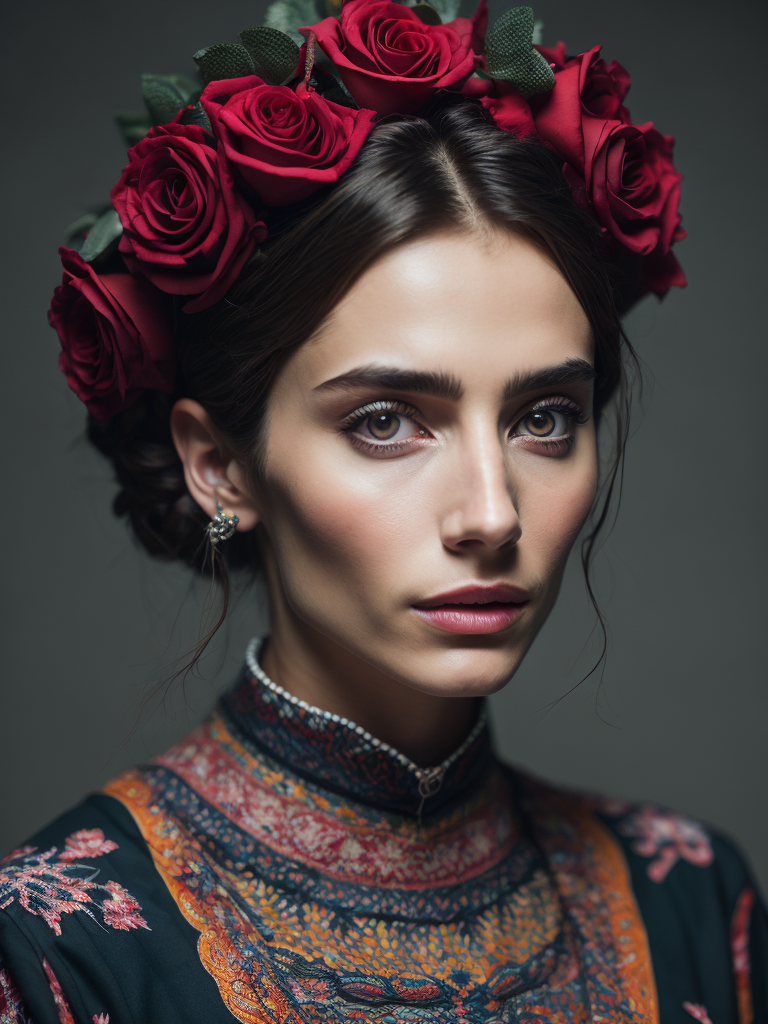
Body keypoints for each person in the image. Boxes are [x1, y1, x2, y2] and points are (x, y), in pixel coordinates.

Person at [0, 2, 764, 1021]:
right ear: (219, 465)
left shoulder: (692, 899)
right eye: (385, 423)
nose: (491, 514)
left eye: (543, 417)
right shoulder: (58, 943)